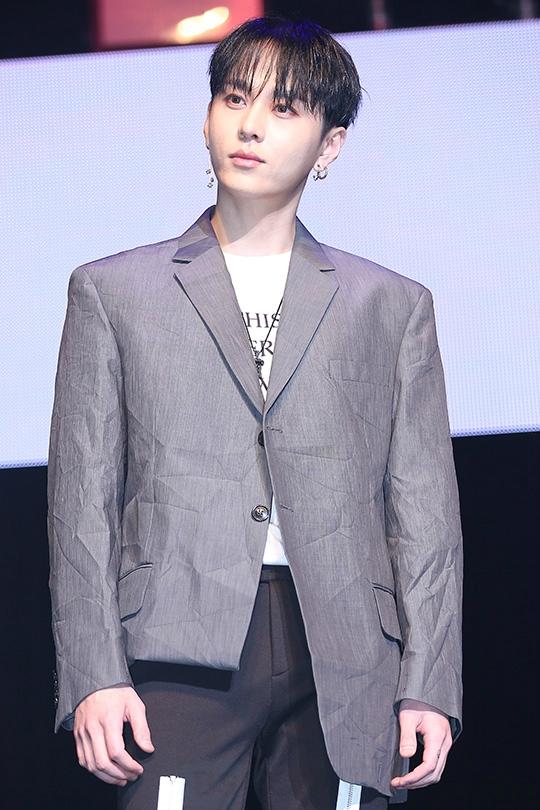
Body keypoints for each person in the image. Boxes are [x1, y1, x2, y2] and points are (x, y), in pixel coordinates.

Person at [47, 16, 463, 810]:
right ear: (207, 117)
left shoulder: (390, 305)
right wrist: (93, 673)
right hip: (179, 641)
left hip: (346, 651)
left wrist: (429, 683)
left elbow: (424, 515)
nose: (250, 125)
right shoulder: (114, 292)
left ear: (330, 144)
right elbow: (81, 506)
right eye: (235, 99)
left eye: (283, 108)